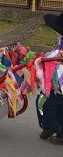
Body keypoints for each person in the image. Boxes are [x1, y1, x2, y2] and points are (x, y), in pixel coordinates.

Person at [38, 12, 63, 145]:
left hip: (59, 84)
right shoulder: (61, 42)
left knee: (47, 104)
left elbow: (56, 58)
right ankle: (56, 131)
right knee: (58, 108)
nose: (56, 33)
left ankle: (51, 126)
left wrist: (48, 59)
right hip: (57, 83)